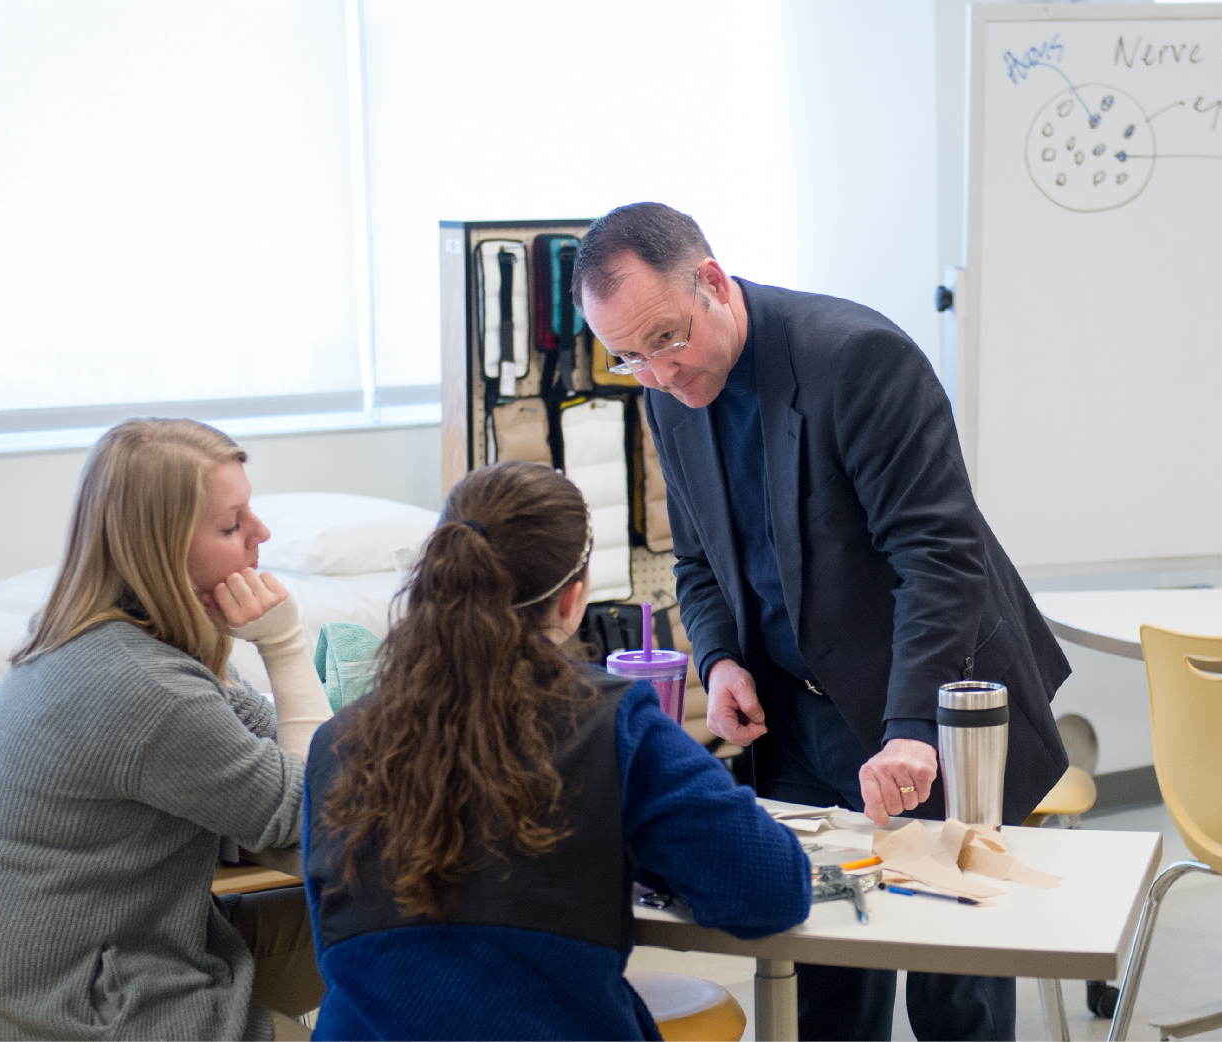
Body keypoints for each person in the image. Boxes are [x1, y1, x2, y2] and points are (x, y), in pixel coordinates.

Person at [576, 203, 1073, 1042]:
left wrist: (914, 726)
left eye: (665, 339)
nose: (656, 372)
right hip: (795, 712)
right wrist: (723, 659)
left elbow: (938, 556)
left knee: (953, 983)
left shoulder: (854, 357)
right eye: (627, 357)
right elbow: (696, 560)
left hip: (927, 704)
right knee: (828, 964)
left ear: (711, 281)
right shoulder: (666, 393)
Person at [301, 460, 811, 1040]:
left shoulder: (336, 743)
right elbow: (771, 891)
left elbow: (338, 939)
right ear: (572, 600)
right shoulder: (608, 720)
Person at [0, 418, 331, 1040]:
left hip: (113, 965)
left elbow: (262, 740)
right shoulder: (144, 691)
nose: (262, 535)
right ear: (161, 550)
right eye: (232, 525)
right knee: (396, 942)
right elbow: (316, 809)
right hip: (99, 1013)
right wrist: (285, 644)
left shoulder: (100, 633)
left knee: (387, 926)